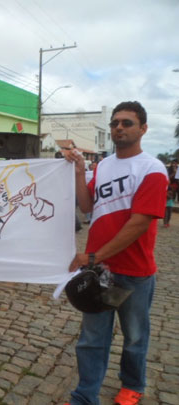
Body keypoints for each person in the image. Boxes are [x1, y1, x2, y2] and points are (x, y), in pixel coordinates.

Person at [64, 101, 168, 405]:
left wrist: (93, 256)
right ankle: (85, 396)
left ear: (143, 129)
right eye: (114, 123)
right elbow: (86, 206)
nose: (119, 128)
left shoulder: (153, 169)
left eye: (126, 123)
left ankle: (133, 384)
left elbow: (139, 223)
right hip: (99, 273)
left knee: (135, 337)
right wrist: (81, 172)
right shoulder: (105, 165)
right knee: (92, 339)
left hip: (134, 273)